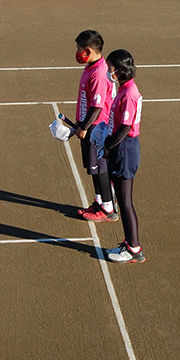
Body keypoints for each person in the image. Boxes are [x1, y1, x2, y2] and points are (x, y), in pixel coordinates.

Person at [102, 49, 145, 263]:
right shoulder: (124, 88)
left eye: (111, 68)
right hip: (123, 147)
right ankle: (130, 244)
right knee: (122, 198)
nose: (109, 71)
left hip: (125, 149)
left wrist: (108, 145)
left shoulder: (129, 94)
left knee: (125, 201)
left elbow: (125, 127)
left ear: (120, 69)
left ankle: (134, 248)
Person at [72, 30, 117, 223]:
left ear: (88, 51)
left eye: (80, 49)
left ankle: (107, 207)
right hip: (90, 125)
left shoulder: (99, 72)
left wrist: (84, 127)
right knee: (93, 167)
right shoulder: (93, 66)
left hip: (97, 127)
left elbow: (97, 106)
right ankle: (99, 201)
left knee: (99, 166)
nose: (77, 52)